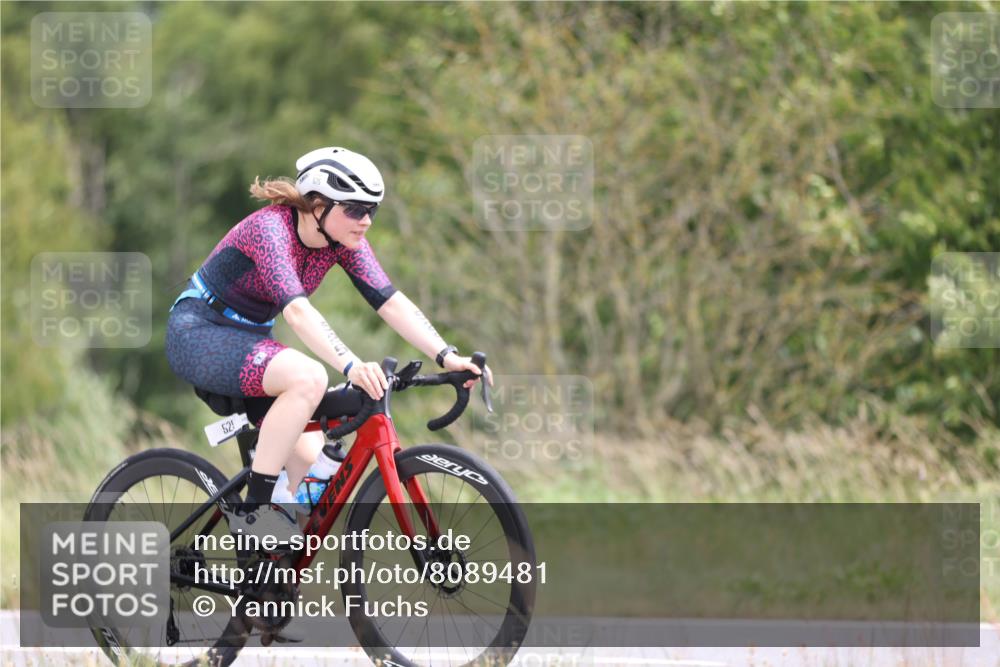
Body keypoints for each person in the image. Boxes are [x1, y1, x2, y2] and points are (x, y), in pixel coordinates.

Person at [166, 147, 490, 545]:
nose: (366, 220)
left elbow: (389, 300)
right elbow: (298, 314)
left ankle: (263, 589)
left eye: (373, 208)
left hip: (250, 341)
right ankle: (253, 516)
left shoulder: (342, 240)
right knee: (309, 376)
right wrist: (352, 365)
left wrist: (447, 355)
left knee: (316, 478)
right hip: (198, 332)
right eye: (355, 209)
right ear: (317, 204)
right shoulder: (270, 230)